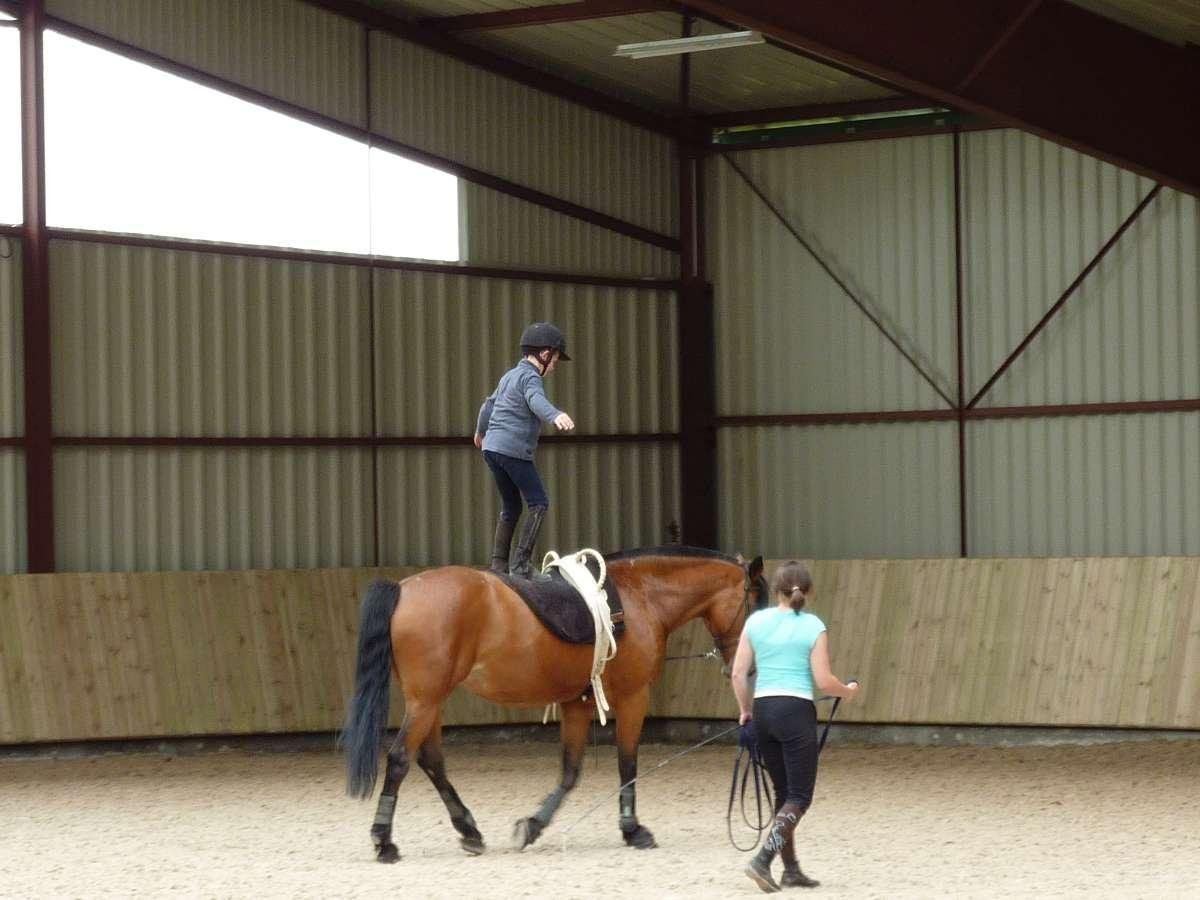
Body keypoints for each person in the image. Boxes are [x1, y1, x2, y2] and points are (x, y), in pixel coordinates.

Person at [731, 561, 860, 892]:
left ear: (775, 590)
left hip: (763, 710)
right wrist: (847, 691)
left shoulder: (755, 622)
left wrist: (745, 710)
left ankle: (790, 870)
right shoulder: (813, 626)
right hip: (795, 711)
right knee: (800, 796)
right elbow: (823, 680)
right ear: (809, 592)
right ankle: (763, 860)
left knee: (784, 793)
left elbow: (738, 673)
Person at [474, 322, 575, 580]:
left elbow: (488, 405)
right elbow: (535, 400)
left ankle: (498, 565)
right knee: (538, 503)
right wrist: (555, 415)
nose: (554, 366)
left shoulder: (509, 376)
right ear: (544, 354)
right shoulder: (530, 377)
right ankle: (520, 565)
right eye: (554, 359)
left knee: (511, 505)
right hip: (512, 450)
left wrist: (480, 432)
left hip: (492, 450)